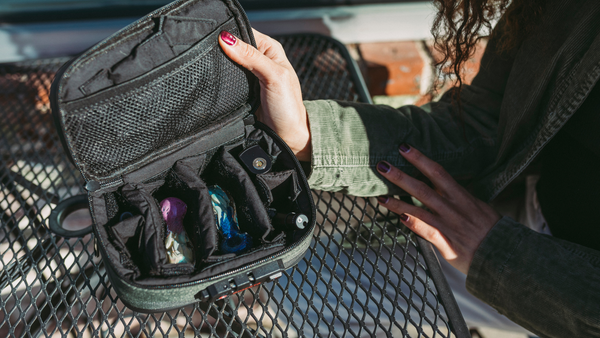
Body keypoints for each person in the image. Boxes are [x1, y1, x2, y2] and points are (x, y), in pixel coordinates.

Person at [218, 0, 600, 337]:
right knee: (302, 288)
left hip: (545, 278)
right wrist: (307, 132)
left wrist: (496, 253)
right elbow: (486, 123)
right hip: (521, 213)